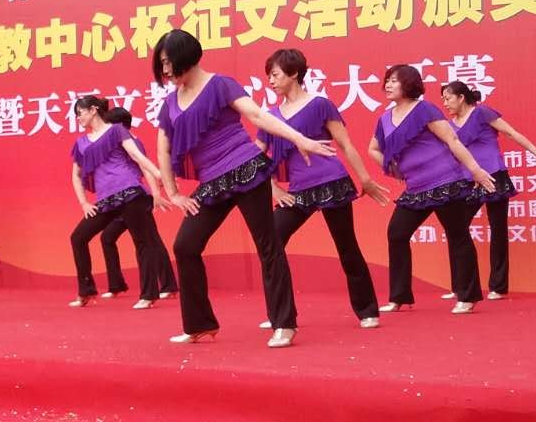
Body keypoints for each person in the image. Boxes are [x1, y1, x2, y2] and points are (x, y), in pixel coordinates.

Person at [152, 30, 337, 347]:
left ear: (186, 56)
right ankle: (199, 325)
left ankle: (284, 323)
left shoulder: (220, 84)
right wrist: (173, 193)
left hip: (246, 169)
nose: (165, 70)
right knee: (185, 245)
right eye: (162, 64)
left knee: (268, 244)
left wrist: (299, 139)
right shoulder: (170, 103)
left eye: (168, 62)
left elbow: (256, 115)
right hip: (213, 182)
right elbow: (163, 147)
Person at [257, 49, 390, 329]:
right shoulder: (270, 116)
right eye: (269, 75)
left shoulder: (320, 104)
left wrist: (365, 179)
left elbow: (345, 143)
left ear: (294, 74)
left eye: (275, 74)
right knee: (272, 241)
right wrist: (274, 189)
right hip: (297, 191)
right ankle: (280, 314)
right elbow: (257, 158)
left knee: (346, 246)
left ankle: (368, 311)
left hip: (331, 181)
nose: (271, 80)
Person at [368, 65, 497, 315]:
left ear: (408, 84)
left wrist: (476, 170)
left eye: (394, 80)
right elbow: (372, 149)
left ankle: (467, 296)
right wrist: (395, 170)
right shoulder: (384, 119)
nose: (388, 85)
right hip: (415, 188)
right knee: (397, 233)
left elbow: (452, 140)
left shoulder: (425, 109)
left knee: (457, 234)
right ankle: (399, 296)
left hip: (444, 181)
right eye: (387, 80)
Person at [440, 81, 536, 301]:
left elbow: (511, 133)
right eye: (443, 99)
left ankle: (498, 286)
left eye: (448, 98)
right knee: (457, 230)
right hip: (469, 180)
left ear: (461, 97)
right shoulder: (448, 125)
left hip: (494, 175)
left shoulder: (482, 113)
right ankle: (460, 286)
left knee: (498, 229)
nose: (445, 103)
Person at [67, 96, 175, 311]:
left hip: (130, 193)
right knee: (78, 237)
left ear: (93, 110)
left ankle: (149, 295)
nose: (78, 118)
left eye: (80, 112)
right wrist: (84, 203)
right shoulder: (81, 143)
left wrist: (158, 174)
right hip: (106, 200)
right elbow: (76, 176)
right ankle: (86, 291)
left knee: (144, 242)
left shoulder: (116, 131)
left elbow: (136, 155)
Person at [96, 107, 178, 304]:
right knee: (108, 237)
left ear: (117, 126)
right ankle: (117, 285)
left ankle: (165, 287)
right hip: (121, 201)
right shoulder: (115, 142)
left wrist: (156, 194)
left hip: (135, 198)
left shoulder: (132, 141)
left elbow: (145, 166)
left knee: (149, 242)